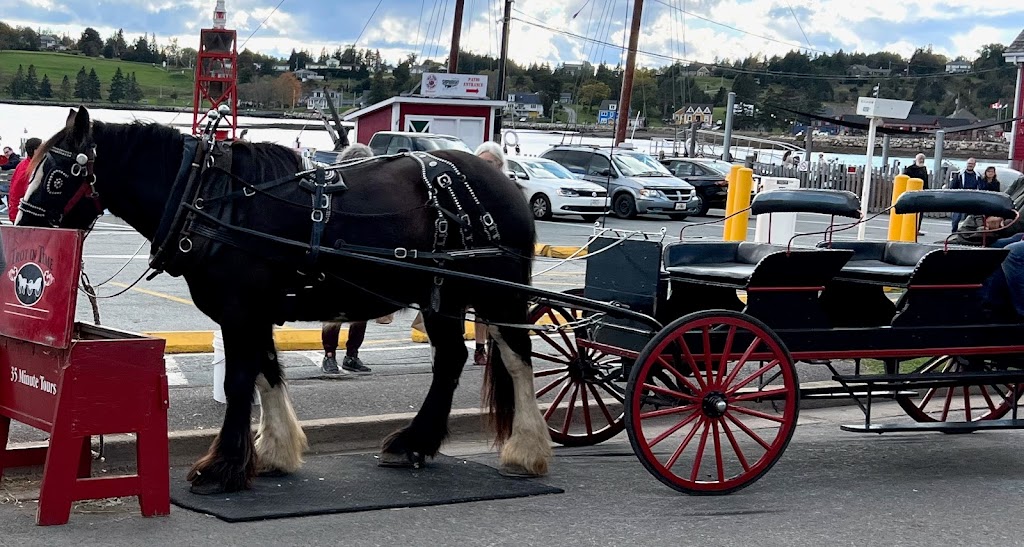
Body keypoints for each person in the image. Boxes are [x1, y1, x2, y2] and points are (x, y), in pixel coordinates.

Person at [409, 141, 507, 366]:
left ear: (500, 165)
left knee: (486, 307)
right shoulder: (464, 190)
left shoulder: (504, 190)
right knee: (453, 303)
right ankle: (452, 346)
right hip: (466, 253)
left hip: (490, 255)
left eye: (489, 163)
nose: (484, 167)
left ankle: (483, 347)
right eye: (481, 163)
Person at [320, 143, 380, 375]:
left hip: (353, 255)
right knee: (338, 312)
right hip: (342, 256)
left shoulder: (351, 191)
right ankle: (334, 355)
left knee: (356, 312)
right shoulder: (339, 191)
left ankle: (347, 356)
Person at [7, 137, 41, 223]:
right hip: (24, 215)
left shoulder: (25, 165)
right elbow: (16, 193)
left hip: (22, 213)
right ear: (35, 151)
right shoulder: (28, 169)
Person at [949, 157, 982, 232]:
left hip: (972, 199)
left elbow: (980, 187)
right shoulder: (959, 174)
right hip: (960, 198)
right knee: (956, 217)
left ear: (974, 165)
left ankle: (966, 233)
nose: (970, 165)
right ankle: (954, 232)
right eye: (969, 163)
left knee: (970, 218)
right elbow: (952, 187)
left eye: (972, 164)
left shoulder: (978, 176)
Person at [903, 153, 930, 236]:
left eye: (923, 159)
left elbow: (926, 182)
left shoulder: (924, 168)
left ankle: (917, 229)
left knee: (920, 213)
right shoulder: (910, 169)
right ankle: (910, 228)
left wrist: (927, 191)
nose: (921, 160)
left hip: (922, 193)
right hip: (912, 193)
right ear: (916, 159)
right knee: (911, 212)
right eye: (920, 159)